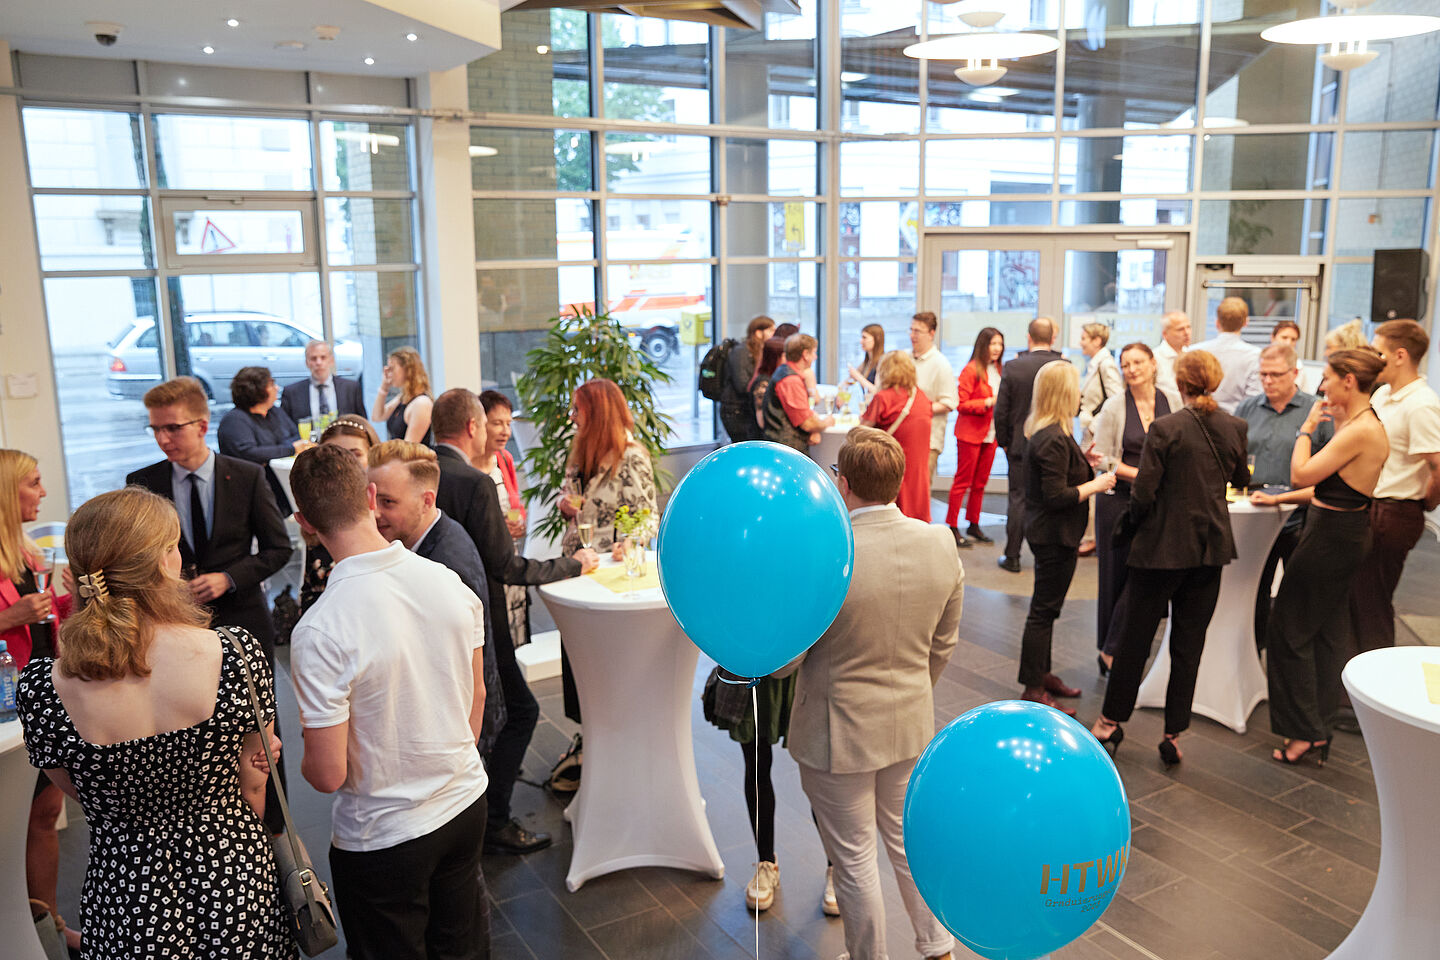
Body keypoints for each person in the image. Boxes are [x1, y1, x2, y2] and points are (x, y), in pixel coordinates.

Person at [16, 487, 294, 959]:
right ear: (165, 563)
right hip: (234, 875)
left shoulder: (43, 687)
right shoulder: (234, 654)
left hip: (125, 895)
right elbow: (254, 781)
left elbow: (75, 787)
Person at [289, 445, 488, 960]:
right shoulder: (448, 582)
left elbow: (327, 775)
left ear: (304, 522)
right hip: (464, 803)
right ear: (371, 497)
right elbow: (477, 694)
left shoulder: (319, 630)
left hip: (383, 835)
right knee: (463, 949)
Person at [788, 427, 963, 960]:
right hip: (909, 721)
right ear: (898, 481)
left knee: (855, 856)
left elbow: (788, 661)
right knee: (908, 846)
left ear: (843, 484)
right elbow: (944, 644)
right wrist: (912, 691)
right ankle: (938, 947)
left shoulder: (827, 555)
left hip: (836, 731)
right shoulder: (939, 542)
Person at [127, 375, 293, 834]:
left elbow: (279, 550)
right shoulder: (142, 484)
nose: (163, 439)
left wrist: (229, 578)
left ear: (201, 426)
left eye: (173, 428)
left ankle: (273, 829)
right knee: (191, 726)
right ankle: (209, 822)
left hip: (242, 620)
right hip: (175, 628)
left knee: (261, 729)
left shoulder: (245, 475)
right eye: (156, 429)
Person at [430, 387, 598, 829]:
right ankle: (495, 819)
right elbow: (504, 565)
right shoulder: (474, 482)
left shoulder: (423, 469)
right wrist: (571, 565)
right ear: (473, 427)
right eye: (489, 423)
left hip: (431, 619)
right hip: (478, 618)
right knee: (520, 711)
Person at [1091, 351, 1249, 766]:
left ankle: (1110, 722)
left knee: (1134, 640)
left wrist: (1129, 525)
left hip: (1160, 550)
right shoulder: (1235, 426)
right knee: (1188, 643)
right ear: (1214, 381)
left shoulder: (1166, 428)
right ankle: (1173, 733)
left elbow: (1144, 491)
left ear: (1180, 383)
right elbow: (1240, 479)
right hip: (1208, 551)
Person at [1252, 349, 1389, 767]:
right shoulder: (1363, 425)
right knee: (1327, 633)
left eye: (1328, 377)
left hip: (1331, 538)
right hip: (1341, 533)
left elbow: (1302, 474)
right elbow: (1325, 487)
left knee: (1288, 629)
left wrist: (1306, 429)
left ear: (1349, 380)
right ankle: (1318, 728)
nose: (1322, 386)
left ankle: (1303, 733)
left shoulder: (1360, 429)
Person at [367, 440, 504, 759]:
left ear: (427, 500)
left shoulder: (445, 566)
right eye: (371, 499)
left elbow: (460, 685)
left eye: (387, 502)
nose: (374, 514)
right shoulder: (427, 540)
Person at [0, 450, 78, 954]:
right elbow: (18, 621)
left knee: (44, 814)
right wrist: (9, 620)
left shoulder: (27, 552)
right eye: (33, 482)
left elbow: (50, 620)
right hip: (7, 704)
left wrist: (71, 598)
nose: (43, 491)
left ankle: (45, 919)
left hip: (45, 693)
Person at [1017, 361, 1116, 714]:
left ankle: (1041, 675)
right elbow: (1057, 495)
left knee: (1047, 609)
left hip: (1053, 533)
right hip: (1053, 535)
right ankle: (1032, 686)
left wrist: (1083, 460)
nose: (1081, 395)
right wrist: (1098, 483)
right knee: (1043, 612)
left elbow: (1058, 475)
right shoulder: (1053, 438)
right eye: (1076, 389)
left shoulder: (1052, 433)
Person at [1347, 320, 1440, 655]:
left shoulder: (1422, 404)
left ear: (1400, 355)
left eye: (1379, 351)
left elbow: (1437, 464)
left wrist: (1424, 504)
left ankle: (1376, 687)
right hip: (1371, 506)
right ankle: (1352, 687)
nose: (1374, 356)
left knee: (1372, 603)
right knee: (1356, 598)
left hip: (1396, 512)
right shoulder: (1385, 393)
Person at [1089, 344, 1181, 673]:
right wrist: (1146, 475)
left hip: (1159, 503)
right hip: (1118, 502)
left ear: (1153, 363)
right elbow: (1103, 459)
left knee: (1144, 577)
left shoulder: (1172, 400)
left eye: (1138, 362)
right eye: (1125, 364)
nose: (1132, 369)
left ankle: (1121, 646)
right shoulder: (1114, 407)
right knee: (1114, 577)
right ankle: (1109, 650)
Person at [1235, 344, 1332, 653]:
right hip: (1254, 514)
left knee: (1300, 593)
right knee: (1253, 591)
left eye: (1276, 375)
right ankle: (1254, 652)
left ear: (1294, 373)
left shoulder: (1317, 411)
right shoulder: (1247, 409)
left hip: (1300, 518)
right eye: (1263, 374)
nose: (1268, 381)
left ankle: (1293, 654)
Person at [992, 318, 1063, 573]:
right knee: (1053, 498)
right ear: (1052, 338)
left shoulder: (1013, 367)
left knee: (1019, 499)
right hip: (1056, 444)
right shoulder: (1063, 366)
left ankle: (1012, 556)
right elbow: (1074, 406)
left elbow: (1002, 411)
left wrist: (1005, 442)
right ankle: (1052, 557)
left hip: (1020, 445)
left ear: (1028, 337)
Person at [471, 390, 532, 654]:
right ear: (478, 423)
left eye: (508, 424)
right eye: (497, 423)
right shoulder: (467, 469)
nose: (505, 431)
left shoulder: (505, 459)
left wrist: (520, 524)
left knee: (511, 646)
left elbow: (515, 506)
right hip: (484, 569)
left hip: (509, 560)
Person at [299, 415, 379, 614]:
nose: (343, 465)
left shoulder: (389, 517)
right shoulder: (319, 518)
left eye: (355, 455)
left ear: (372, 456)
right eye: (332, 457)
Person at [217, 365, 311, 510]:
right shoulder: (234, 420)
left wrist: (271, 451)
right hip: (251, 492)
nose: (277, 388)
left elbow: (295, 435)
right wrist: (288, 449)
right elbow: (249, 453)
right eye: (272, 384)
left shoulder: (275, 412)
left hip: (281, 482)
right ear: (258, 390)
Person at [945, 327, 1004, 548]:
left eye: (1000, 344)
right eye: (993, 344)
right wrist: (988, 402)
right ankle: (952, 525)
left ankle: (973, 523)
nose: (997, 348)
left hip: (990, 434)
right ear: (983, 345)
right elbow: (961, 404)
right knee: (963, 482)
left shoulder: (998, 368)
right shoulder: (970, 370)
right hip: (970, 434)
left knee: (980, 483)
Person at [861, 351, 933, 522]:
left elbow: (861, 432)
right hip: (919, 472)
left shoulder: (883, 398)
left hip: (892, 470)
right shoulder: (920, 396)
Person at [907, 311, 959, 482]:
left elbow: (950, 403)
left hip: (928, 442)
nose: (912, 335)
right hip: (904, 438)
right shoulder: (905, 359)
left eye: (917, 331)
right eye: (911, 330)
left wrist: (919, 410)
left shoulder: (940, 364)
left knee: (919, 495)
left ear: (931, 334)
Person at [762, 334, 835, 453]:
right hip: (787, 447)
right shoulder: (791, 381)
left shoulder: (784, 372)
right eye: (813, 353)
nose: (815, 357)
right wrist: (826, 422)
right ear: (805, 354)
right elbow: (807, 424)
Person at [1191, 296, 1261, 413]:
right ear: (1246, 322)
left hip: (1198, 420)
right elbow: (1253, 400)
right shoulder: (1256, 356)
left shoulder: (1194, 352)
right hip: (1237, 424)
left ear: (1217, 322)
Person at [280, 339, 367, 422]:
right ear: (307, 362)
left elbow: (362, 422)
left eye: (323, 357)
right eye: (313, 358)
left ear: (331, 360)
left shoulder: (351, 388)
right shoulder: (291, 393)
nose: (318, 362)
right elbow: (285, 429)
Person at [719, 315, 775, 442]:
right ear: (758, 333)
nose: (774, 334)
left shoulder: (758, 351)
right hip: (735, 410)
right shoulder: (741, 352)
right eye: (771, 330)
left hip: (746, 410)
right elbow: (742, 385)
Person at [371, 345, 434, 444]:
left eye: (392, 369)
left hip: (411, 458)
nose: (389, 374)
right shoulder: (402, 398)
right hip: (399, 456)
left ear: (407, 369)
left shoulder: (421, 403)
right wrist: (384, 386)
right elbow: (377, 416)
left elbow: (409, 447)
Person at [1078, 323, 1124, 448]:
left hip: (1097, 433)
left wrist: (1093, 427)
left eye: (1083, 338)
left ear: (1097, 341)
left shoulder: (1106, 364)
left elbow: (1116, 399)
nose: (1080, 343)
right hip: (1090, 430)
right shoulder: (1095, 363)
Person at [748, 335, 786, 432]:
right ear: (776, 358)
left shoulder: (773, 377)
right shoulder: (763, 383)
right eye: (785, 355)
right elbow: (761, 422)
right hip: (763, 439)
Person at [1154, 310, 1191, 397]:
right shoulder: (1155, 358)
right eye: (1180, 329)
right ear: (1165, 334)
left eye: (1188, 327)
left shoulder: (1191, 355)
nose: (1187, 333)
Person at [845, 323, 886, 397]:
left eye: (865, 337)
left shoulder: (883, 362)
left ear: (876, 339)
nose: (861, 341)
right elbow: (849, 380)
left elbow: (877, 391)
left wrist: (857, 376)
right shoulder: (867, 362)